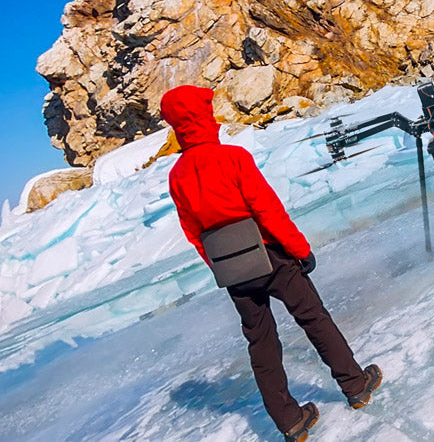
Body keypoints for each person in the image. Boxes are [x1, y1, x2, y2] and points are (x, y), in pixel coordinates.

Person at [160, 85, 381, 442]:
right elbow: (267, 210)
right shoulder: (232, 157)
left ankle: (290, 421)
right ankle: (356, 385)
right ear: (203, 117)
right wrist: (299, 248)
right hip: (271, 255)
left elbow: (194, 233)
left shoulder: (178, 175)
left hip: (233, 269)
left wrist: (222, 265)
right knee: (313, 318)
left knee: (260, 342)